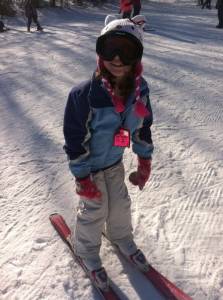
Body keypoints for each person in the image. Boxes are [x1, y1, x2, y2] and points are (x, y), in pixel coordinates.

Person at [63, 15, 154, 290]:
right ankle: (86, 249)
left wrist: (144, 160)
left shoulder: (140, 91)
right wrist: (82, 176)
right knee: (95, 210)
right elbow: (74, 138)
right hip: (90, 167)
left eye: (125, 52)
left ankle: (121, 236)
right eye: (109, 49)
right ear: (100, 52)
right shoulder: (84, 95)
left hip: (114, 162)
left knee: (120, 204)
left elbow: (142, 127)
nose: (116, 59)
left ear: (136, 58)